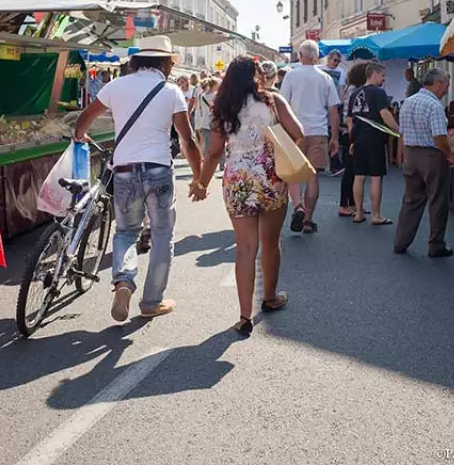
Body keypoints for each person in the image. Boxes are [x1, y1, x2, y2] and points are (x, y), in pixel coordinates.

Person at [74, 35, 202, 321]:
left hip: (124, 170)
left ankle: (123, 282)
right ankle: (151, 301)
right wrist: (199, 177)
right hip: (158, 168)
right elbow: (187, 140)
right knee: (162, 235)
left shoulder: (116, 85)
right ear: (166, 63)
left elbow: (86, 117)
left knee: (126, 232)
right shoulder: (171, 91)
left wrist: (80, 135)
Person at [191, 56, 303, 335]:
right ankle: (270, 297)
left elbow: (214, 152)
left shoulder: (222, 106)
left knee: (245, 248)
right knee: (271, 242)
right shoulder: (272, 100)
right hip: (271, 177)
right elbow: (299, 133)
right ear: (255, 76)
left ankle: (244, 316)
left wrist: (201, 183)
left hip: (237, 180)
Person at [394, 68, 454, 258]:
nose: (446, 89)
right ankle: (436, 244)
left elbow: (402, 134)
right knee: (437, 200)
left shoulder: (408, 102)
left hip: (411, 155)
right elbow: (439, 136)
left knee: (411, 200)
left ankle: (401, 242)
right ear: (437, 83)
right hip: (431, 156)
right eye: (446, 85)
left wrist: (402, 155)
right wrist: (449, 155)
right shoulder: (434, 106)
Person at [281, 40, 340, 233]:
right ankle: (308, 219)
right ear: (316, 57)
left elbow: (282, 105)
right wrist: (335, 137)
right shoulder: (326, 78)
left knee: (295, 174)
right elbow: (333, 110)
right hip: (318, 131)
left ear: (300, 55)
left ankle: (297, 205)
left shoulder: (291, 75)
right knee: (313, 176)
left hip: (295, 130)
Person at [348, 62, 399, 226]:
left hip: (358, 139)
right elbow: (384, 114)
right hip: (375, 139)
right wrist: (398, 130)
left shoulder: (354, 93)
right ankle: (376, 215)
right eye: (383, 75)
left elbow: (350, 120)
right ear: (375, 74)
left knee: (359, 176)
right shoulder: (379, 92)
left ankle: (358, 212)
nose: (383, 79)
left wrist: (352, 140)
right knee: (376, 178)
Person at [338, 63, 368, 217]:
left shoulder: (352, 89)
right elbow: (350, 114)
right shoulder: (354, 91)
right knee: (350, 170)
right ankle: (344, 204)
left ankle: (352, 203)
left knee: (353, 169)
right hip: (350, 132)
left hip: (350, 131)